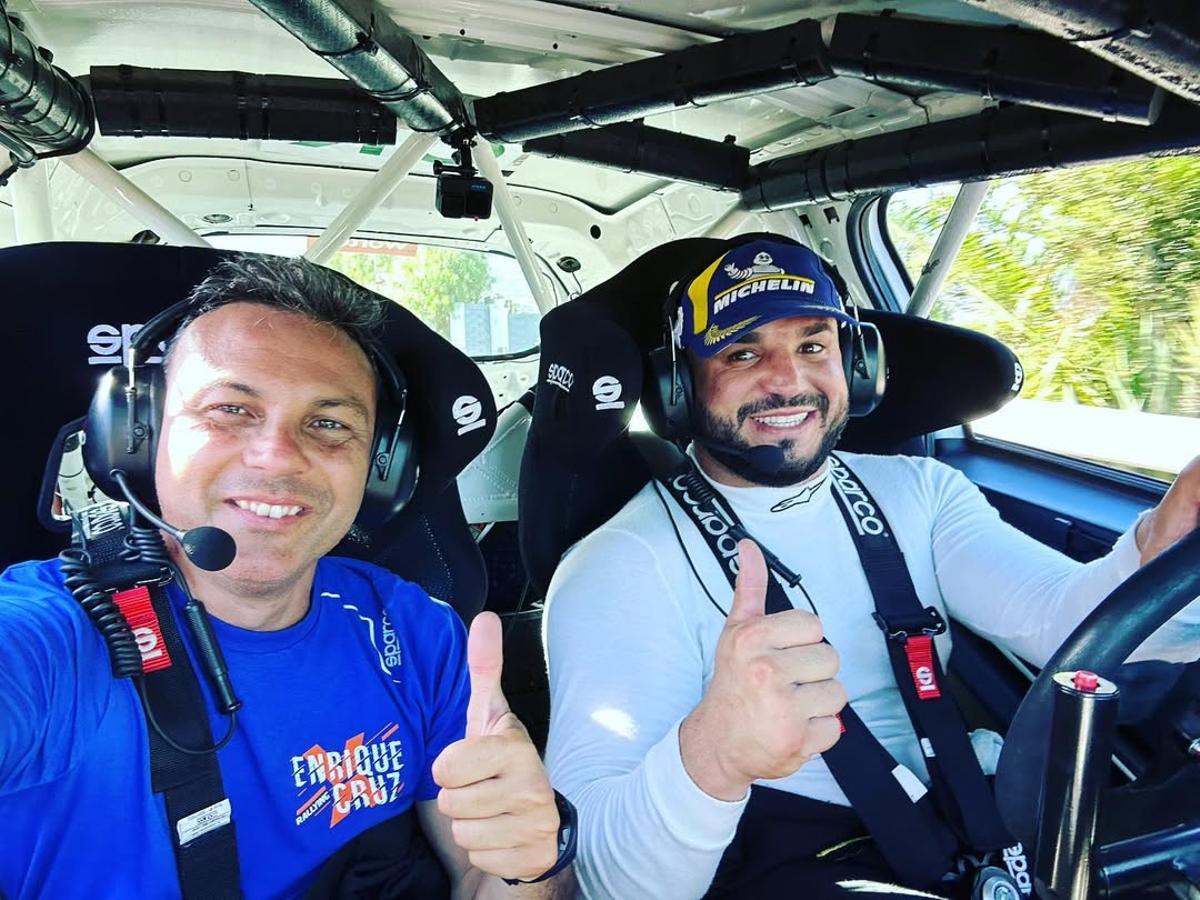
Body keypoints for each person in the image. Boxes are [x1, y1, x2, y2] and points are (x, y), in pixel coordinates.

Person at [541, 236, 1200, 898]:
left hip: (977, 824)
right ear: (678, 385)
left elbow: (1068, 624)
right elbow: (592, 881)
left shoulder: (922, 491)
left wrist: (1151, 553)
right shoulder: (616, 567)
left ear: (857, 367)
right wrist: (712, 756)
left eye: (812, 346)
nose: (787, 379)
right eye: (743, 352)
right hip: (799, 858)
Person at [0, 256, 574, 899]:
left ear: (380, 472)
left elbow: (483, 883)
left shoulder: (417, 632)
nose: (277, 455)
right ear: (138, 438)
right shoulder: (44, 638)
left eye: (329, 424)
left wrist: (530, 863)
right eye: (229, 410)